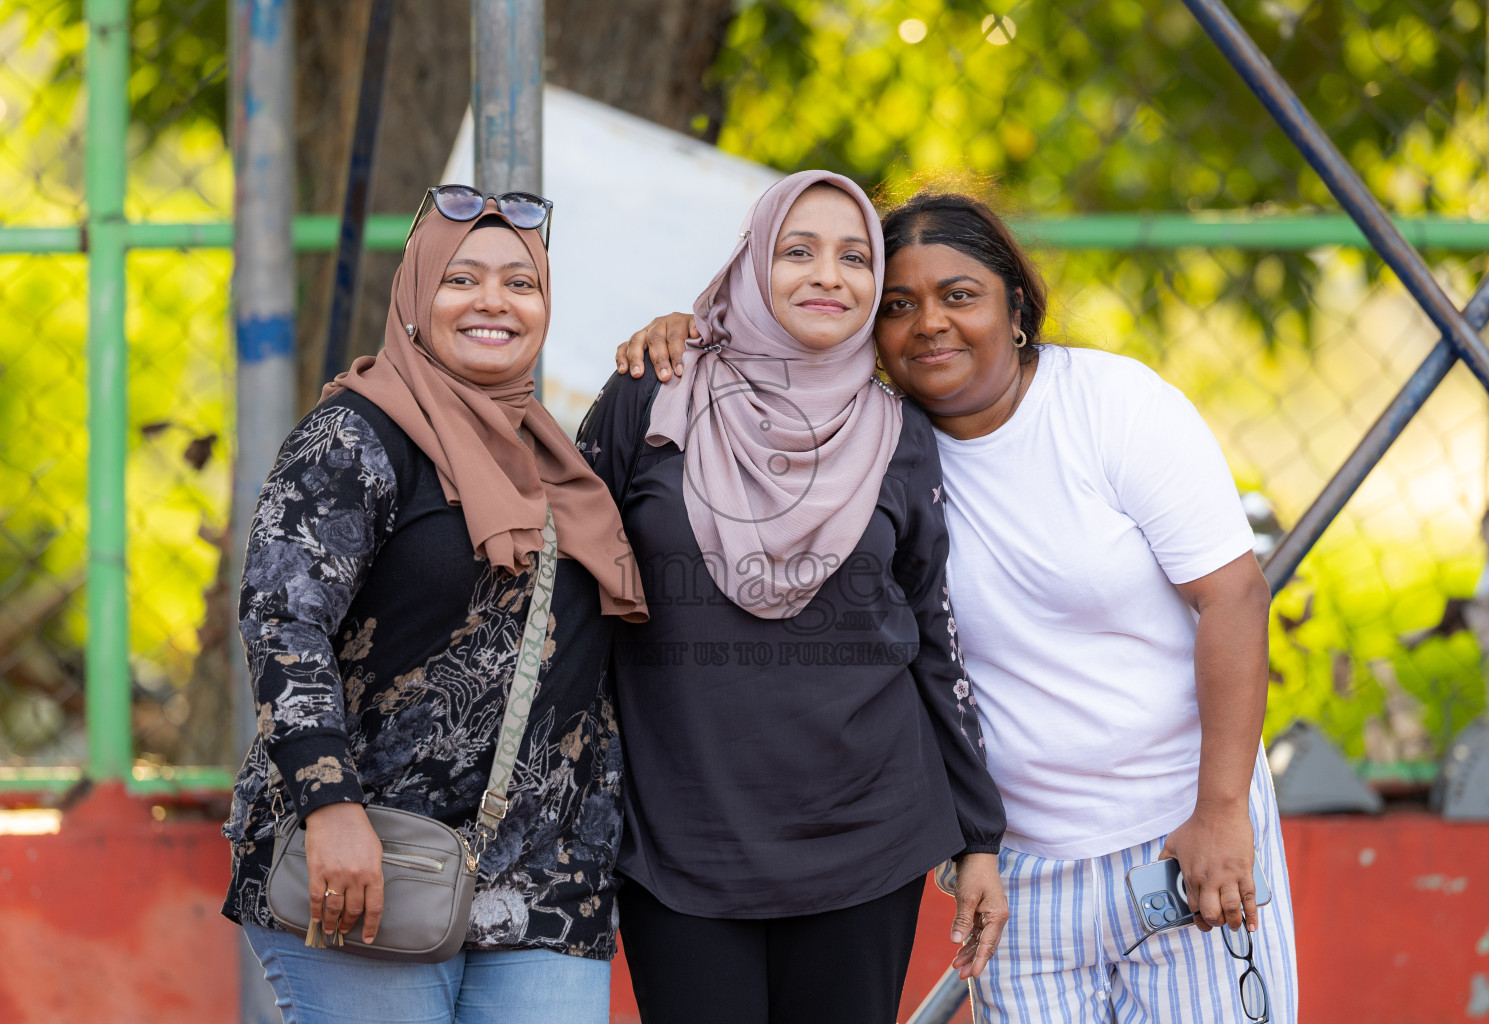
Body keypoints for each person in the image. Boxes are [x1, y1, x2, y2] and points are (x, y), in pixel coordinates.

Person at [616, 191, 1299, 1023]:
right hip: (1023, 866)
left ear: (1016, 305)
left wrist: (1222, 811)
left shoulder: (1114, 406)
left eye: (960, 296)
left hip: (1180, 828)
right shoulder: (865, 442)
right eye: (898, 306)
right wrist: (689, 329)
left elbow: (1232, 596)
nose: (929, 324)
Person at [577, 170, 1008, 1024]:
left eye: (855, 258)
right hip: (680, 837)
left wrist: (978, 839)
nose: (828, 276)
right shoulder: (653, 392)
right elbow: (568, 593)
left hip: (866, 838)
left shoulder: (900, 433)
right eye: (797, 251)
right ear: (750, 266)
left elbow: (930, 632)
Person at [221, 186, 647, 1024]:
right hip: (374, 855)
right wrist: (330, 806)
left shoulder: (559, 459)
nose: (494, 302)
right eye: (461, 280)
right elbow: (282, 622)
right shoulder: (355, 436)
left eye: (521, 284)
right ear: (416, 297)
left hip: (544, 878)